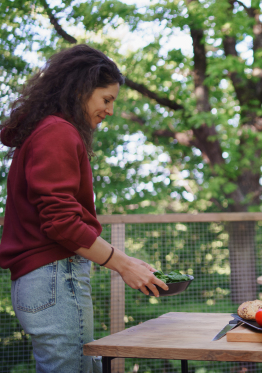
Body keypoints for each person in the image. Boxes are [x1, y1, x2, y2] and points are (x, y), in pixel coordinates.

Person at [0, 44, 169, 373]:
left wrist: (127, 261)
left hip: (40, 280)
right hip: (54, 278)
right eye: (106, 99)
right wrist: (123, 265)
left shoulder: (42, 131)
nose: (109, 110)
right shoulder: (58, 132)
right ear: (81, 88)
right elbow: (61, 223)